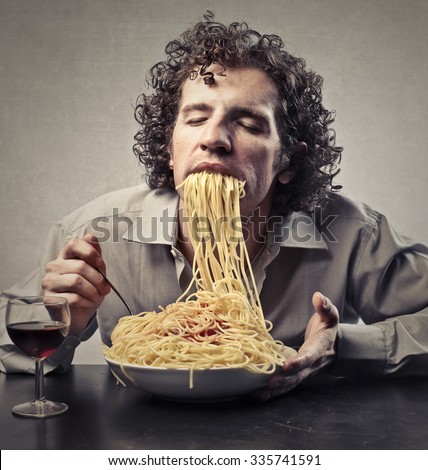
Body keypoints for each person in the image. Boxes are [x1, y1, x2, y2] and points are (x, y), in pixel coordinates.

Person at [1, 13, 427, 401]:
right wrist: (63, 323)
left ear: (288, 163)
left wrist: (343, 346)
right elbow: (13, 356)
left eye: (248, 123)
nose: (214, 138)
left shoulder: (351, 232)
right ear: (170, 149)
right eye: (195, 118)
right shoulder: (96, 233)